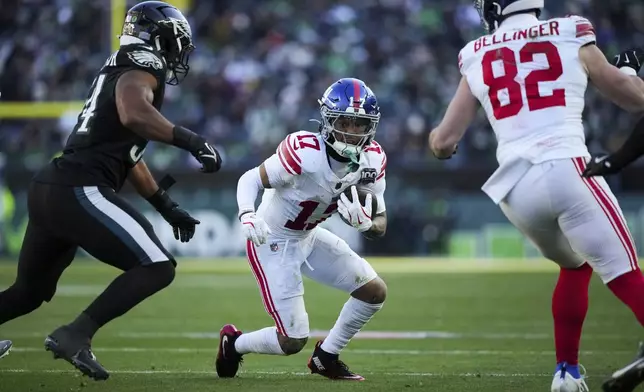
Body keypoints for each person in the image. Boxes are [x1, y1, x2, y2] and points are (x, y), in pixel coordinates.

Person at [428, 1, 644, 391]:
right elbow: (631, 97)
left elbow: (443, 143)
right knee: (625, 271)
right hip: (568, 167)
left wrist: (436, 141)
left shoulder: (474, 53)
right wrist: (628, 70)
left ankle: (567, 372)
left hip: (515, 189)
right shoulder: (570, 30)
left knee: (576, 266)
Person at [0, 1, 221, 381]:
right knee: (157, 266)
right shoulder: (143, 62)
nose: (178, 52)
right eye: (175, 42)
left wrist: (165, 206)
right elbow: (133, 114)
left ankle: (75, 333)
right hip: (79, 188)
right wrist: (191, 140)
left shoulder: (119, 62)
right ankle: (76, 334)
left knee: (29, 292)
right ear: (159, 37)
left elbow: (129, 156)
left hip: (51, 187)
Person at [216, 78, 388, 381]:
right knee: (292, 341)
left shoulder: (372, 158)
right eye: (345, 122)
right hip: (272, 240)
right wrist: (247, 214)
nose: (353, 131)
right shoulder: (304, 151)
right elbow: (250, 179)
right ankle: (234, 343)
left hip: (308, 236)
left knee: (374, 292)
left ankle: (327, 356)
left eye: (361, 124)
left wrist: (366, 224)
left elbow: (380, 224)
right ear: (328, 119)